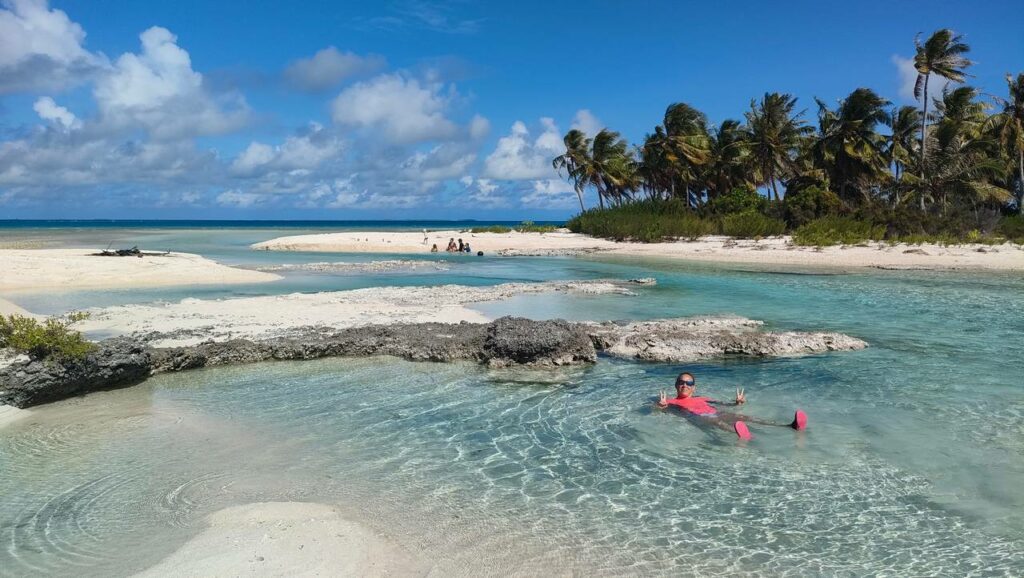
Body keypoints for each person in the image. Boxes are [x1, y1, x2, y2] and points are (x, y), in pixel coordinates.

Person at [655, 372, 806, 440]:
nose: (684, 385)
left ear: (694, 387)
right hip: (699, 418)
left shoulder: (703, 397)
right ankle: (745, 437)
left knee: (745, 417)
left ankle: (788, 426)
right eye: (681, 382)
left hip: (717, 412)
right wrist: (660, 406)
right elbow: (657, 410)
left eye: (689, 383)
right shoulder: (670, 401)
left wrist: (736, 403)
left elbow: (723, 404)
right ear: (676, 385)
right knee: (718, 423)